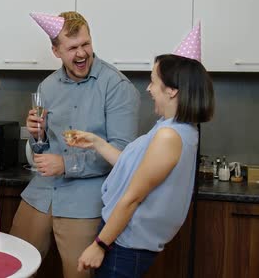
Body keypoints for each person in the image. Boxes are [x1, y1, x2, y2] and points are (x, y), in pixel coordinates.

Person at [9, 11, 140, 278]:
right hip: (41, 195)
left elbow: (122, 155)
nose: (81, 54)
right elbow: (40, 152)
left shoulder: (117, 87)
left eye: (86, 44)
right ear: (56, 50)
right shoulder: (47, 87)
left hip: (85, 201)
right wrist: (37, 136)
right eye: (72, 48)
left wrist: (66, 164)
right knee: (13, 267)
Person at [71, 53, 214, 277]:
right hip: (121, 238)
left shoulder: (168, 136)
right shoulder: (174, 128)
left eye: (154, 81)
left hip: (123, 243)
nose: (149, 89)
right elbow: (133, 170)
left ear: (172, 90)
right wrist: (97, 143)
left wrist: (100, 245)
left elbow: (133, 197)